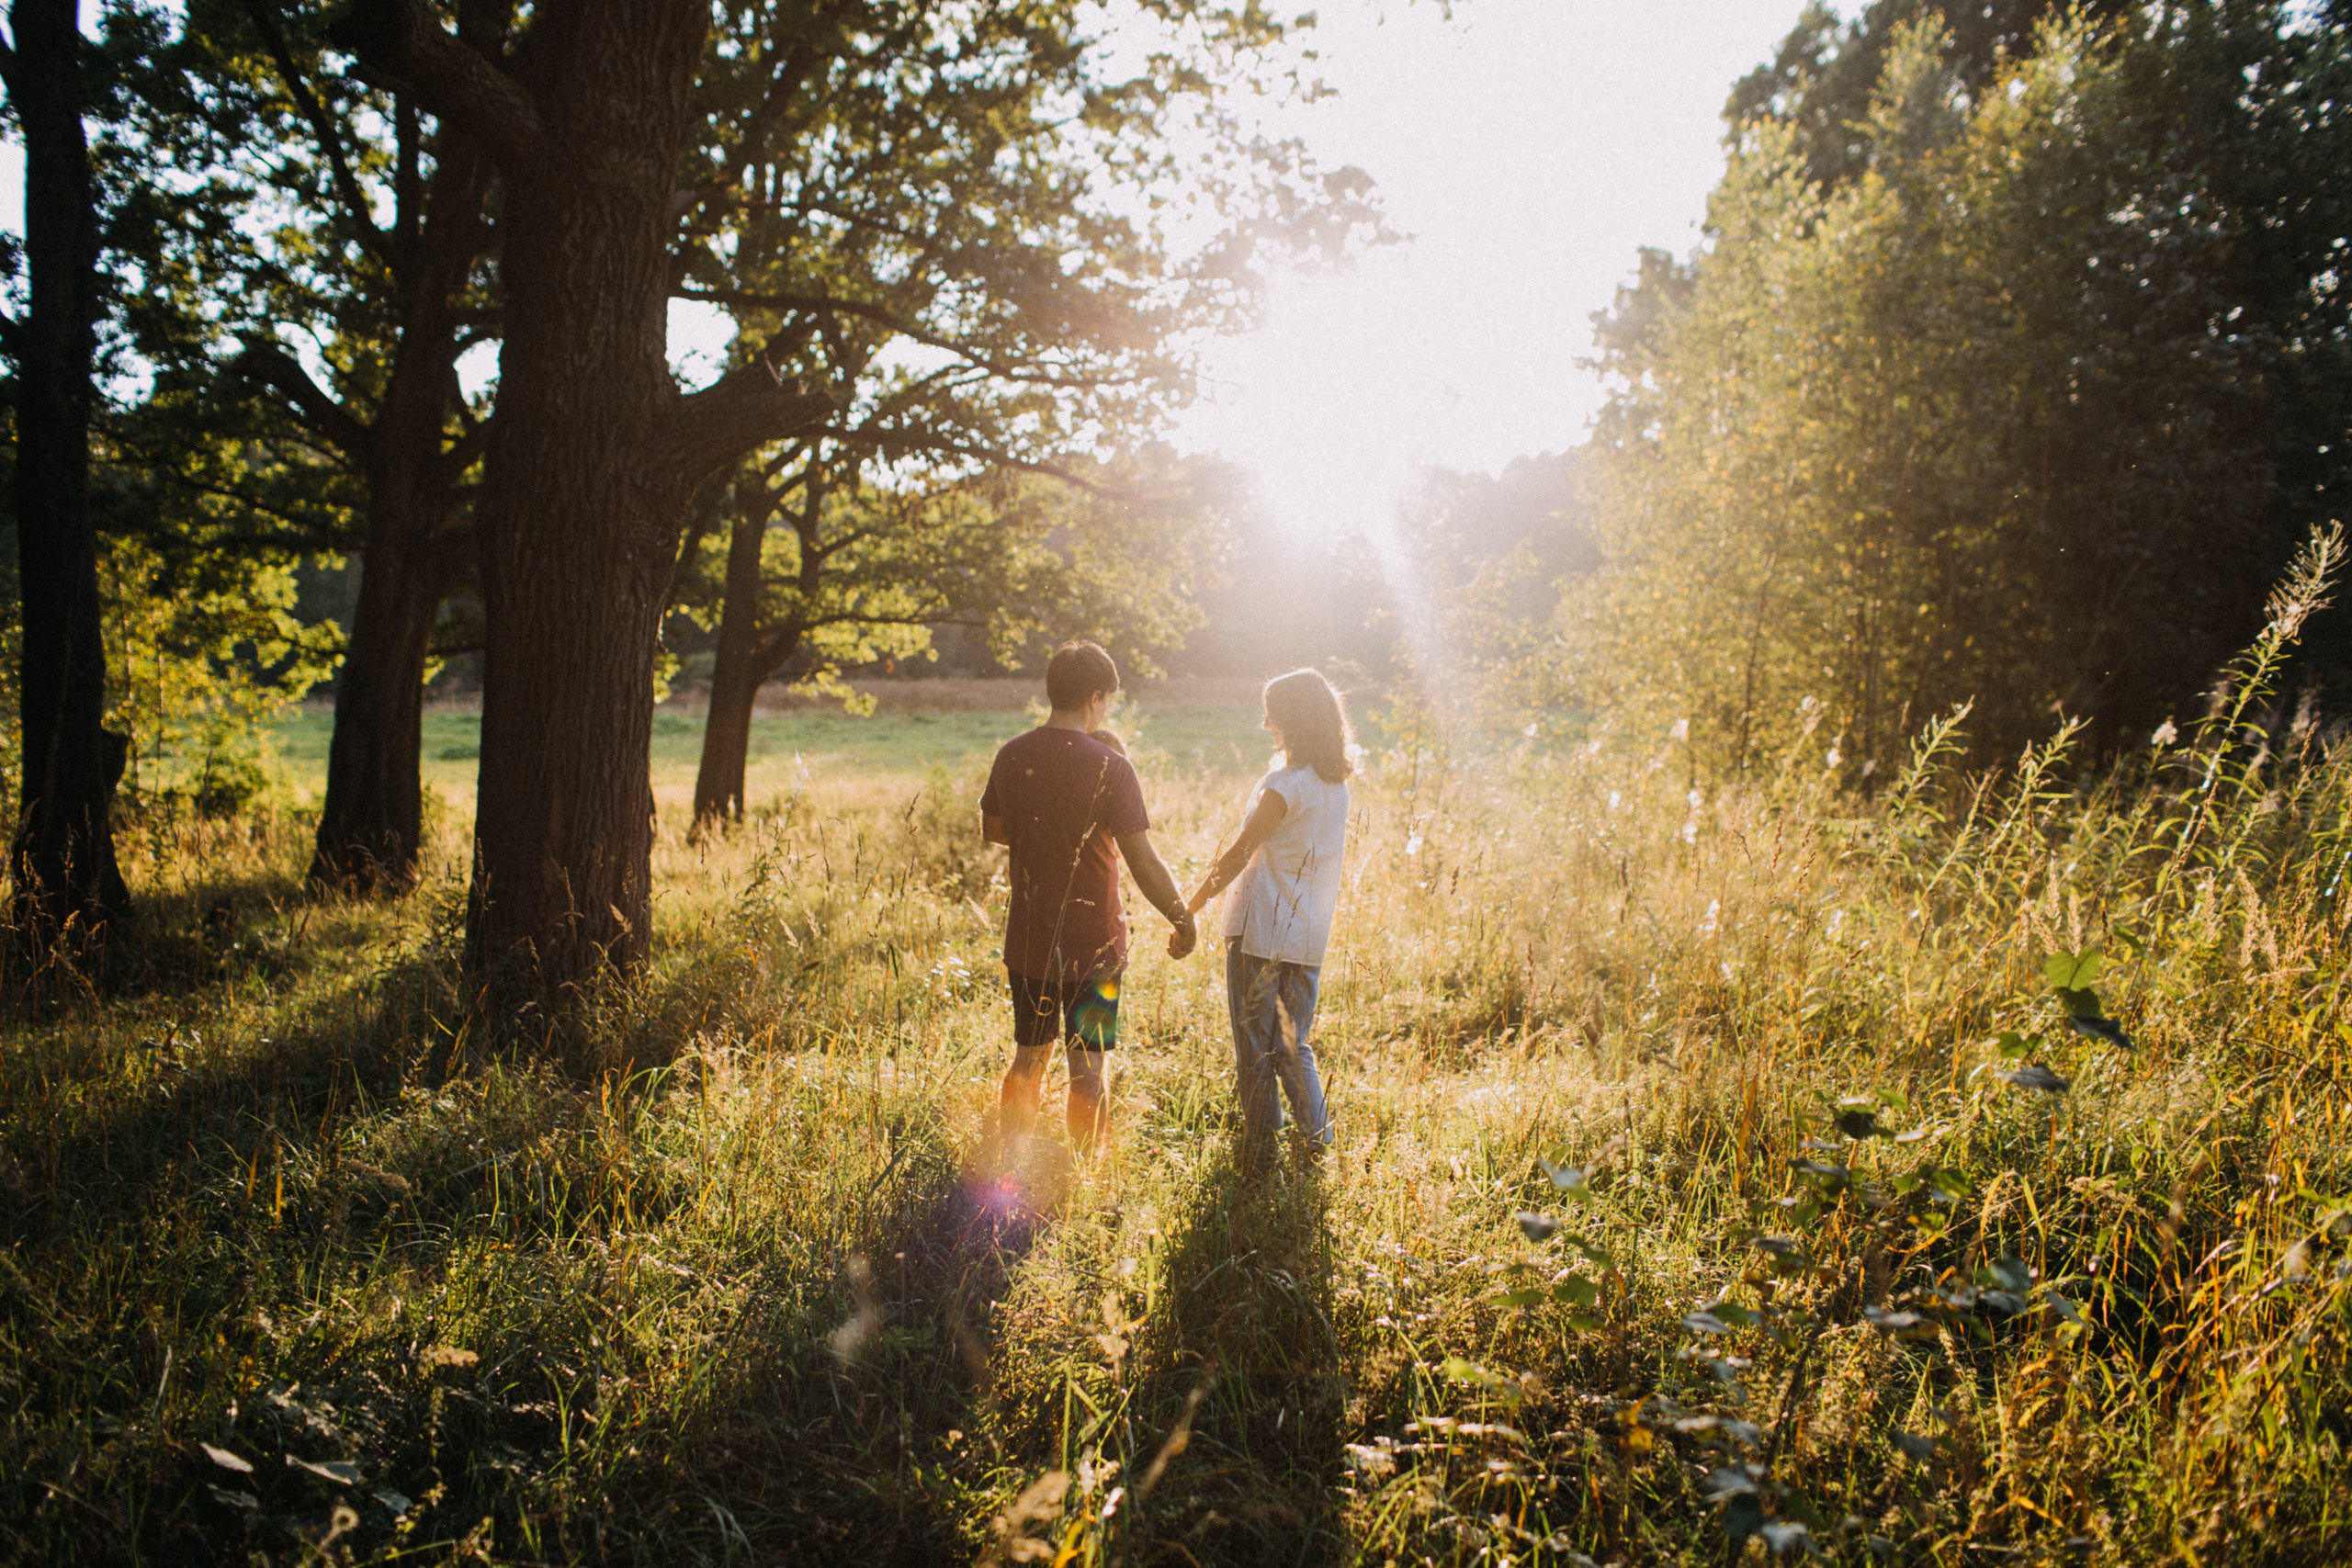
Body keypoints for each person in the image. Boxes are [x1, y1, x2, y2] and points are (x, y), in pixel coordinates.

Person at [980, 642, 1196, 1150]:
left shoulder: (1012, 754)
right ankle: (1084, 1173)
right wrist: (1181, 915)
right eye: (1107, 701)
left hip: (1031, 939)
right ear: (1095, 698)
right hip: (1096, 945)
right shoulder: (1112, 766)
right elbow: (1142, 859)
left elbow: (993, 829)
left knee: (1029, 1055)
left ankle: (1010, 1157)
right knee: (1089, 1066)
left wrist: (1045, 837)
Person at [1185, 669, 1353, 1170]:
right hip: (1307, 937)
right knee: (1292, 1045)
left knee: (1256, 1049)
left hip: (1260, 933)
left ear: (1292, 720)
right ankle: (1318, 1145)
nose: (1265, 723)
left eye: (1272, 714)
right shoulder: (1335, 786)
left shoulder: (1284, 786)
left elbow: (1238, 854)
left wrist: (1186, 909)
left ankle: (1261, 1156)